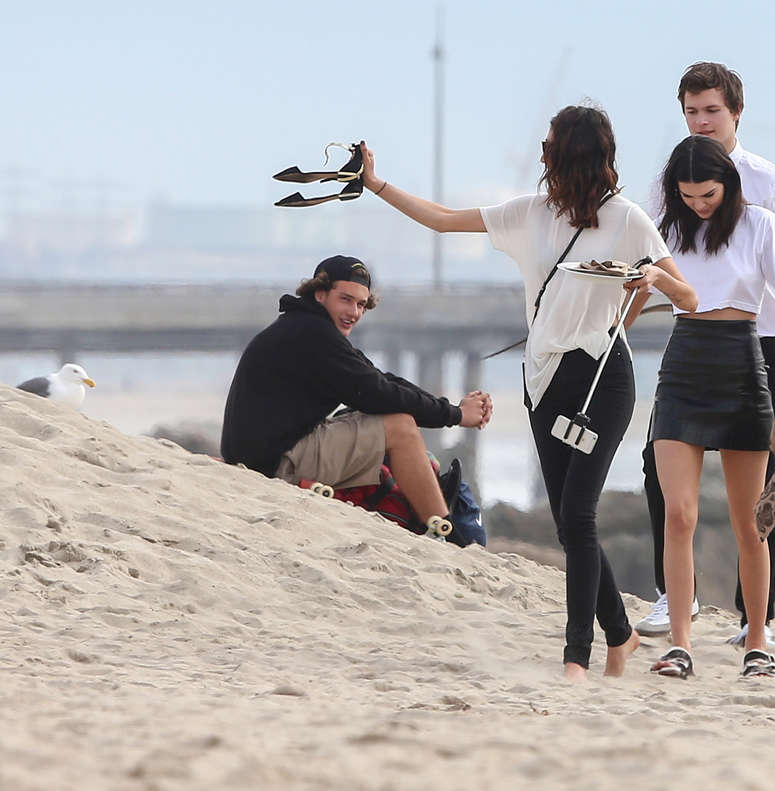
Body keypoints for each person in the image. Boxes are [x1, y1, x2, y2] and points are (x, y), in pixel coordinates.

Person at [360, 106, 697, 681]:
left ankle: (576, 656)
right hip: (541, 379)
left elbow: (688, 297)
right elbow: (442, 219)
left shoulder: (627, 220)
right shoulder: (528, 214)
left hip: (599, 376)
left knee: (578, 514)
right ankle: (622, 634)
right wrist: (374, 184)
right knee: (569, 523)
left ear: (574, 155)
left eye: (549, 147)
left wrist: (651, 282)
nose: (541, 156)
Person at [636, 61, 775, 646]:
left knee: (760, 492)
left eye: (711, 111)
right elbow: (648, 253)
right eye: (691, 112)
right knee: (658, 473)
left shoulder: (770, 187)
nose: (700, 121)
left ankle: (754, 619)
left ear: (736, 112)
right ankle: (680, 596)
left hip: (761, 343)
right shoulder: (672, 182)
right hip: (691, 347)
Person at [221, 254, 492, 538]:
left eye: (361, 304)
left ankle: (431, 523)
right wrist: (456, 416)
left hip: (265, 454)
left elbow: (381, 380)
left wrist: (451, 408)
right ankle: (445, 532)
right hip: (273, 464)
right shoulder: (314, 335)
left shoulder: (307, 327)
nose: (354, 312)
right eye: (346, 299)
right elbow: (379, 393)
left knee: (375, 416)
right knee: (400, 427)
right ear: (320, 293)